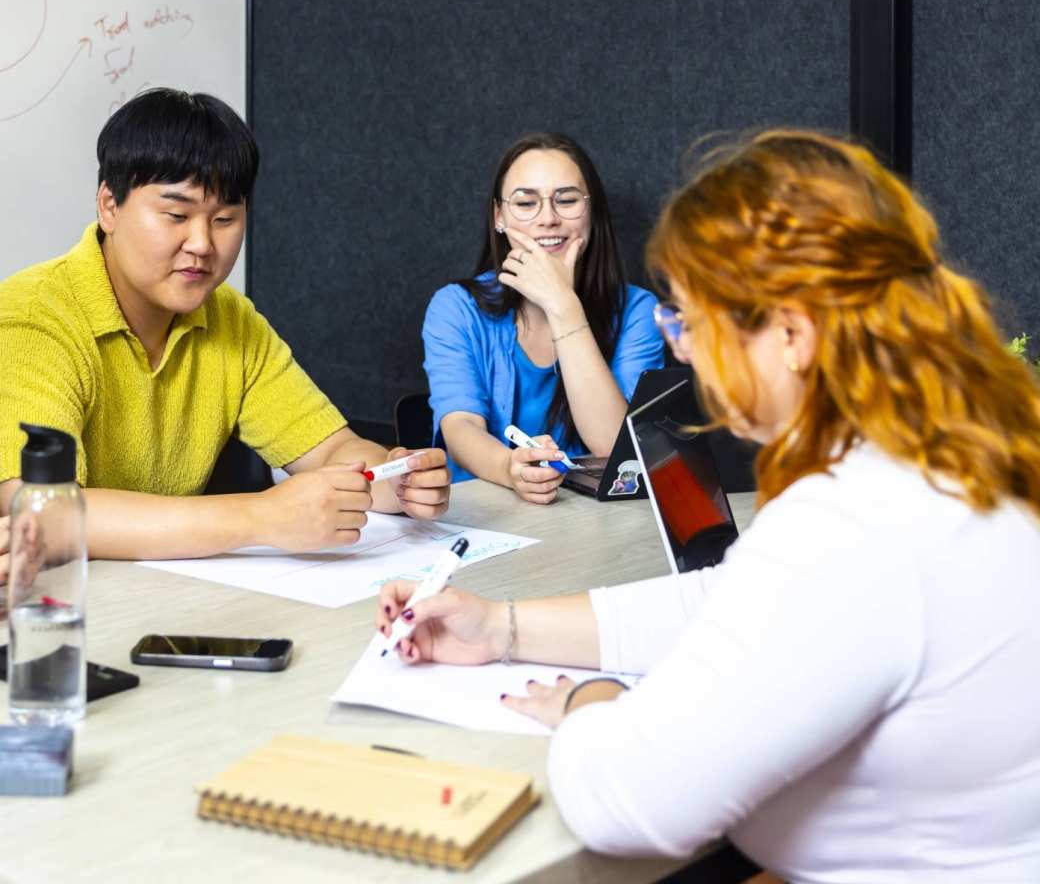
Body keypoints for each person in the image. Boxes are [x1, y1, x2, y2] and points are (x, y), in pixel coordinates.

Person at [379, 130, 1040, 879]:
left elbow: (624, 801)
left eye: (692, 322)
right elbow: (724, 606)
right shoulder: (946, 461)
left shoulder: (852, 523)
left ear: (790, 335)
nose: (684, 351)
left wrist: (587, 701)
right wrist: (500, 625)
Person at [0, 89, 450, 565]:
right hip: (66, 604)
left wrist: (394, 478)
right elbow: (39, 507)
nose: (201, 243)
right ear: (109, 206)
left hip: (177, 596)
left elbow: (331, 449)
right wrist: (260, 517)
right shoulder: (35, 317)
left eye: (225, 219)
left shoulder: (228, 316)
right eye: (176, 215)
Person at [422, 133, 663, 502]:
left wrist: (563, 308)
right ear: (499, 216)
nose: (548, 219)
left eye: (566, 200)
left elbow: (616, 449)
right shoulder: (455, 308)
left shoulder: (637, 310)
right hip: (487, 516)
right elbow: (460, 426)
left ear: (593, 213)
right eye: (526, 203)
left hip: (591, 520)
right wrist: (510, 468)